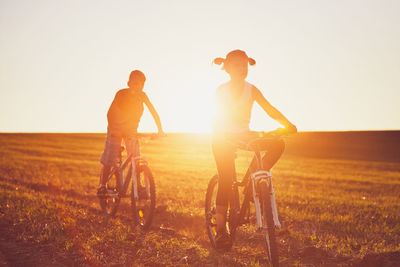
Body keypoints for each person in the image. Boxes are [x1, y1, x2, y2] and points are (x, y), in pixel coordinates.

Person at [212, 50, 297, 249]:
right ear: (227, 68)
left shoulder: (252, 89)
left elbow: (269, 109)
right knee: (226, 179)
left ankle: (253, 180)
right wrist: (221, 135)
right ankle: (220, 230)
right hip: (222, 137)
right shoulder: (221, 91)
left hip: (243, 134)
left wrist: (287, 123)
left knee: (277, 143)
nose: (241, 69)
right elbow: (216, 117)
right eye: (236, 65)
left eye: (244, 65)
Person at [98, 70, 164, 195]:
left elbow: (153, 112)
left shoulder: (143, 96)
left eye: (140, 84)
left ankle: (138, 186)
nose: (137, 86)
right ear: (129, 83)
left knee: (136, 157)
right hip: (115, 128)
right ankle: (103, 185)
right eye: (135, 83)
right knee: (110, 156)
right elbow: (110, 114)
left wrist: (160, 129)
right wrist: (113, 130)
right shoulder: (121, 94)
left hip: (131, 131)